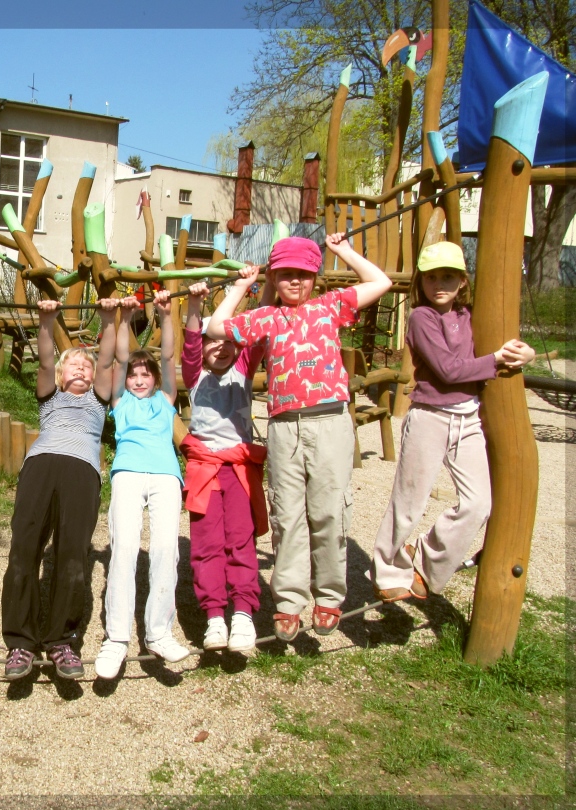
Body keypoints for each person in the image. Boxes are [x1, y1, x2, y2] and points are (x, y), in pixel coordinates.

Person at [209, 234, 392, 641]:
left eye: (303, 275)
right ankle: (289, 601)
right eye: (286, 274)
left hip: (329, 421)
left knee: (329, 510)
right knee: (287, 515)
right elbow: (215, 326)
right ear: (275, 276)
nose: (295, 282)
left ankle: (328, 595)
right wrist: (242, 286)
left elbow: (380, 283)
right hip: (284, 425)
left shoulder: (329, 307)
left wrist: (343, 251)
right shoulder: (267, 318)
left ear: (315, 277)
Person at [372, 241, 534, 602]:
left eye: (448, 277)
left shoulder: (473, 315)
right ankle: (386, 570)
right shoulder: (421, 318)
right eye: (431, 278)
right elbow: (447, 369)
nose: (439, 285)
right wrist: (497, 361)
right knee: (410, 500)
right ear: (421, 282)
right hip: (430, 416)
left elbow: (506, 343)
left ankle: (426, 561)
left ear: (463, 280)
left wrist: (526, 353)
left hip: (469, 418)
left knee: (479, 503)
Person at [1, 297, 117, 680]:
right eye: (74, 366)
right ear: (63, 376)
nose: (82, 369)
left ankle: (61, 640)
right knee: (24, 548)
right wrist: (46, 321)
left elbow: (106, 361)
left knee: (71, 556)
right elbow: (47, 360)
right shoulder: (50, 399)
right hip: (41, 465)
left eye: (86, 366)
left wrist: (107, 319)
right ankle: (20, 642)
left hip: (82, 472)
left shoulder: (99, 403)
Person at [94, 292, 189, 680]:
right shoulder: (120, 403)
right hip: (129, 474)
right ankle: (116, 638)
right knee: (126, 548)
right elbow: (117, 359)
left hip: (166, 476)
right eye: (133, 375)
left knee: (166, 548)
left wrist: (166, 316)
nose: (137, 379)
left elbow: (167, 357)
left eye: (144, 375)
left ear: (155, 380)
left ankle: (158, 632)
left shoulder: (167, 400)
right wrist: (125, 317)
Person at [179, 276, 268, 653]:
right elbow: (191, 346)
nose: (221, 347)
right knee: (206, 542)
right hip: (204, 470)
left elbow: (259, 329)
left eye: (229, 342)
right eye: (213, 341)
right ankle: (215, 615)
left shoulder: (243, 370)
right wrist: (196, 306)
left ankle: (243, 613)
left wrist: (259, 286)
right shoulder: (195, 375)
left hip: (238, 468)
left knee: (240, 539)